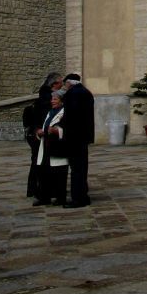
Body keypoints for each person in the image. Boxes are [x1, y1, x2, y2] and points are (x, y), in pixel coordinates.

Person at [24, 71, 62, 198]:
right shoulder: (47, 99)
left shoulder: (44, 96)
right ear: (55, 84)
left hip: (37, 133)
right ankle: (40, 190)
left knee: (38, 161)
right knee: (40, 162)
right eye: (60, 82)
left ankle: (35, 189)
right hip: (40, 134)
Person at [60, 72, 95, 207]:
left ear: (69, 83)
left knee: (76, 169)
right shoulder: (86, 92)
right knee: (81, 167)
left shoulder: (73, 94)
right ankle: (83, 196)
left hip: (74, 137)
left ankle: (78, 198)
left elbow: (71, 117)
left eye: (65, 84)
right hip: (83, 137)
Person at [33, 89, 68, 206]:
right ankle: (44, 197)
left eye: (55, 99)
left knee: (59, 174)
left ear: (61, 101)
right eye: (52, 99)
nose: (52, 101)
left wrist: (57, 131)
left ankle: (60, 197)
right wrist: (39, 132)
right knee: (44, 172)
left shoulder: (65, 112)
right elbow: (43, 126)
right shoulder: (49, 112)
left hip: (58, 147)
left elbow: (67, 129)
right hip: (46, 146)